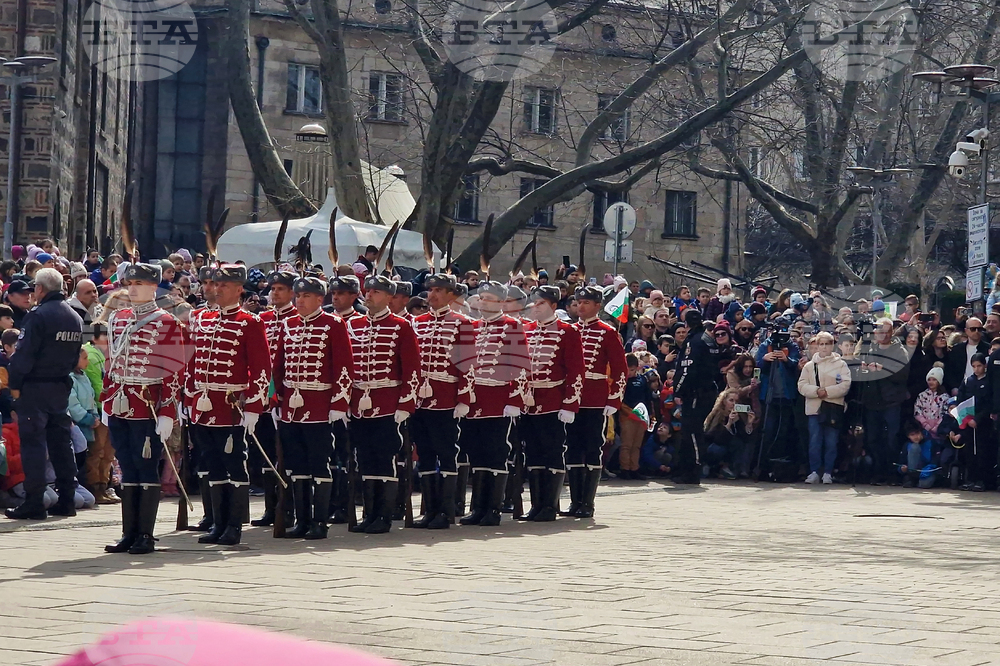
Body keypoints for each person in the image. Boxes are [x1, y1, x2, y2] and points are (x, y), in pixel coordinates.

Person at [100, 263, 187, 554]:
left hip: (147, 405)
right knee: (126, 467)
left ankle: (145, 535)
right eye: (130, 282)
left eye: (139, 282)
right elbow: (111, 363)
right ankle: (129, 532)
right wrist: (106, 398)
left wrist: (167, 411)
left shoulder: (166, 321)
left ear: (153, 287)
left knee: (145, 466)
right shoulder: (118, 319)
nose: (133, 287)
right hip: (120, 402)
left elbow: (174, 370)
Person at [185, 264, 270, 546]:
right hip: (204, 403)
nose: (217, 289)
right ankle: (218, 522)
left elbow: (260, 369)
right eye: (215, 285)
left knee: (234, 462)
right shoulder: (203, 319)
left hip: (231, 404)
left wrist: (254, 407)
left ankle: (234, 524)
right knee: (212, 463)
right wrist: (189, 399)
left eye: (223, 286)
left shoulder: (250, 322)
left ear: (238, 290)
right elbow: (192, 363)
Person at [272, 276, 354, 540]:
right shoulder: (288, 324)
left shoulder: (333, 324)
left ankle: (320, 521)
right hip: (291, 410)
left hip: (320, 406)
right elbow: (279, 367)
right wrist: (276, 400)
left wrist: (339, 403)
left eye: (306, 296)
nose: (300, 301)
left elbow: (343, 367)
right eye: (298, 296)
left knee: (320, 464)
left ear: (321, 300)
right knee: (296, 466)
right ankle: (302, 519)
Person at [4, 268, 84, 520]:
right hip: (60, 386)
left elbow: (24, 356)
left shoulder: (38, 316)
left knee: (34, 445)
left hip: (35, 388)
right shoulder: (74, 316)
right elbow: (74, 357)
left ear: (40, 289)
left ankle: (35, 502)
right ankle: (68, 500)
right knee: (62, 444)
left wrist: (15, 383)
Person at [346, 275, 421, 534]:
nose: (369, 295)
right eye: (368, 291)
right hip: (359, 404)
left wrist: (406, 404)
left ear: (390, 297)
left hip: (388, 403)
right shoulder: (353, 325)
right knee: (365, 459)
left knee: (385, 458)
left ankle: (384, 516)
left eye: (376, 292)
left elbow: (412, 369)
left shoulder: (401, 326)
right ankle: (369, 513)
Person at [457, 281, 528, 524]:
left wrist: (514, 399)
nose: (482, 301)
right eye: (481, 297)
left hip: (499, 400)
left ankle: (493, 509)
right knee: (476, 454)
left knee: (496, 452)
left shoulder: (512, 326)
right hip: (474, 401)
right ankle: (477, 507)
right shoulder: (473, 327)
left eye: (488, 298)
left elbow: (519, 366)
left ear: (500, 302)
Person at [409, 273, 475, 529]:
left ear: (451, 294)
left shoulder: (462, 323)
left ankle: (446, 511)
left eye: (439, 290)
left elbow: (467, 364)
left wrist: (463, 398)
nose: (432, 295)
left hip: (446, 397)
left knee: (446, 453)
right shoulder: (418, 322)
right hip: (420, 400)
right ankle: (430, 510)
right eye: (430, 290)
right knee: (425, 453)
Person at [519, 285, 583, 521]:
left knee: (552, 451)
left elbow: (576, 371)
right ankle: (536, 504)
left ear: (553, 306)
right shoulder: (527, 330)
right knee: (533, 452)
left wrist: (569, 405)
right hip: (530, 402)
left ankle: (549, 505)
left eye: (540, 304)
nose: (535, 308)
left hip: (554, 401)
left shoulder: (567, 332)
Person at [565, 286, 626, 515]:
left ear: (597, 306)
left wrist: (614, 398)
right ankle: (574, 501)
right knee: (572, 448)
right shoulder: (569, 330)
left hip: (594, 397)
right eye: (578, 302)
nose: (581, 306)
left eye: (586, 303)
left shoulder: (607, 332)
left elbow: (620, 369)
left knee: (592, 447)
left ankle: (587, 503)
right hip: (571, 398)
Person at [250, 270, 297, 529]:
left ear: (292, 292)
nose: (274, 293)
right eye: (272, 288)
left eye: (280, 288)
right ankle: (271, 507)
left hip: (287, 395)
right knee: (265, 453)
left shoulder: (296, 318)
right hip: (262, 396)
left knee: (286, 455)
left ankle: (288, 507)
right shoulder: (263, 319)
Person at [858, 318, 911, 485]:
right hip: (872, 400)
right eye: (879, 330)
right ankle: (877, 471)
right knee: (873, 437)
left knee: (892, 438)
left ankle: (891, 473)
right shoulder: (869, 348)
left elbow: (903, 375)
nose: (881, 334)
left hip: (891, 401)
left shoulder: (899, 350)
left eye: (885, 331)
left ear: (891, 332)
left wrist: (883, 369)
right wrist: (864, 369)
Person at [797, 332, 851, 484]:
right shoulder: (809, 366)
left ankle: (828, 471)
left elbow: (845, 385)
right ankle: (814, 471)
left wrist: (827, 392)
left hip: (833, 408)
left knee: (831, 441)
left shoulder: (841, 364)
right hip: (814, 408)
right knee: (814, 440)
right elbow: (801, 385)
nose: (824, 347)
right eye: (821, 344)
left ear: (832, 345)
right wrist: (816, 391)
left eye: (828, 344)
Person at [673, 310, 718, 484]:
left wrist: (677, 390)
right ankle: (687, 469)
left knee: (692, 432)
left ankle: (693, 470)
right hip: (705, 391)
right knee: (692, 431)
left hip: (695, 393)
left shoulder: (694, 342)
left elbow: (687, 369)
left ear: (686, 324)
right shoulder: (708, 339)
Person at [755, 318, 802, 474]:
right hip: (769, 395)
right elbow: (757, 365)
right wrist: (764, 359)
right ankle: (763, 466)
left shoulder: (791, 346)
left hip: (787, 395)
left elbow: (796, 363)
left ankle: (780, 465)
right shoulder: (765, 345)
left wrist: (786, 359)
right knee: (768, 430)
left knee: (784, 431)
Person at [83, 323, 117, 504]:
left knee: (108, 451)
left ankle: (104, 486)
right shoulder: (92, 354)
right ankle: (95, 487)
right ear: (95, 337)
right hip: (101, 409)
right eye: (106, 336)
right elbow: (98, 385)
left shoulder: (105, 354)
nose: (110, 340)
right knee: (98, 451)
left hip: (109, 409)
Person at [956, 353, 993, 491]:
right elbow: (960, 401)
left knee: (982, 452)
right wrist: (967, 419)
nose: (976, 369)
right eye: (974, 366)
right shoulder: (967, 381)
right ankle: (970, 479)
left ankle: (982, 480)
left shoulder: (990, 381)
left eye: (979, 366)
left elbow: (989, 404)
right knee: (969, 452)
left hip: (983, 423)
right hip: (968, 423)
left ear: (985, 366)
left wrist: (978, 419)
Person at [703, 388, 755, 480]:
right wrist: (729, 424)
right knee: (718, 449)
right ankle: (711, 466)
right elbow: (714, 438)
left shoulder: (739, 415)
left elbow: (745, 438)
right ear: (724, 402)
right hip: (713, 447)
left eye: (736, 401)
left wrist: (749, 424)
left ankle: (734, 469)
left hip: (730, 448)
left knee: (743, 444)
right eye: (731, 400)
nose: (734, 404)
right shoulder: (718, 414)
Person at [619, 353, 653, 480]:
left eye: (632, 370)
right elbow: (619, 400)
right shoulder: (622, 381)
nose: (629, 372)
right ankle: (624, 468)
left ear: (637, 368)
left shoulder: (642, 379)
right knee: (626, 444)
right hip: (627, 415)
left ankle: (634, 468)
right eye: (627, 369)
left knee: (637, 444)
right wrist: (629, 411)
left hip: (641, 415)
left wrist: (650, 414)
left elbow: (648, 397)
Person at [945, 317, 989, 393]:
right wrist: (954, 388)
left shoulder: (988, 349)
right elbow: (950, 371)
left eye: (979, 329)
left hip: (982, 389)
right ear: (966, 330)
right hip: (960, 389)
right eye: (973, 329)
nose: (976, 331)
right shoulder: (956, 349)